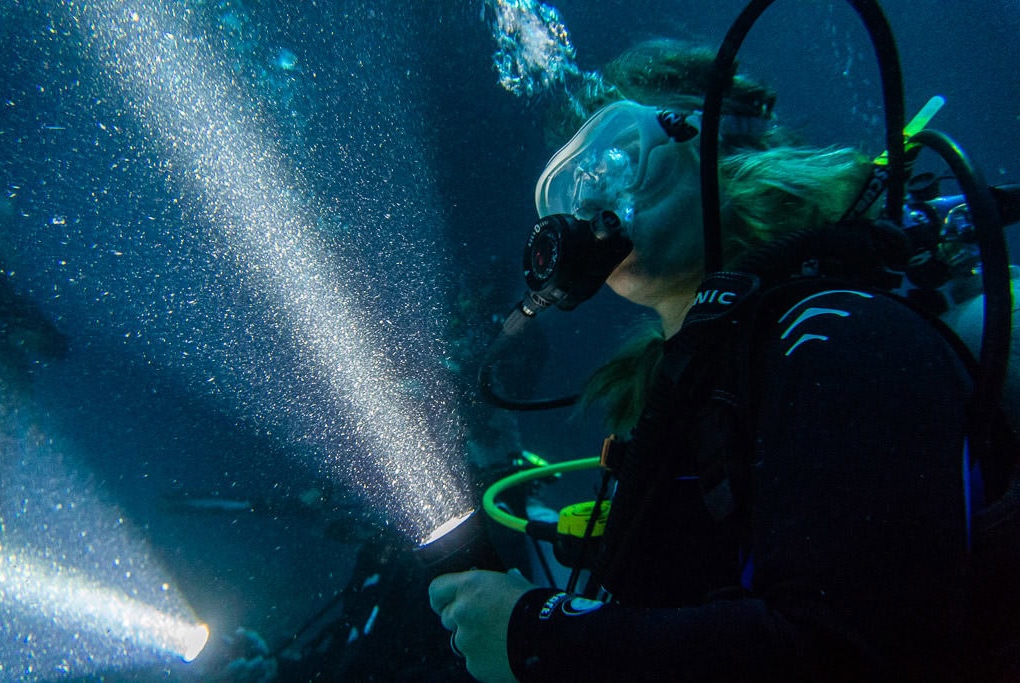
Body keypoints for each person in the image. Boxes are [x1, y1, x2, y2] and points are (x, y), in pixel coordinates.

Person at [428, 40, 1020, 681]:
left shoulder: (833, 334)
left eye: (619, 159)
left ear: (716, 139)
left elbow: (844, 648)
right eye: (570, 187)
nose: (592, 205)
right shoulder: (701, 372)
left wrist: (538, 636)